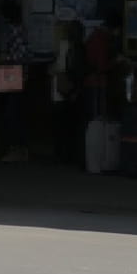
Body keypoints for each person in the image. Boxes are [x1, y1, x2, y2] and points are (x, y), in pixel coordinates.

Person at [0, 0, 31, 162]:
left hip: (12, 74)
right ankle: (20, 149)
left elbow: (17, 54)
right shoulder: (21, 29)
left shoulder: (11, 31)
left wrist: (4, 58)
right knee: (16, 112)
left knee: (11, 113)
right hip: (19, 74)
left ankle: (15, 149)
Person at [49, 16, 86, 168]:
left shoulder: (64, 46)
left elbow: (59, 68)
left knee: (61, 125)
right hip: (72, 90)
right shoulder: (78, 47)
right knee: (71, 125)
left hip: (62, 90)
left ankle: (61, 154)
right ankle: (69, 155)